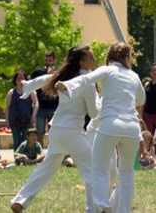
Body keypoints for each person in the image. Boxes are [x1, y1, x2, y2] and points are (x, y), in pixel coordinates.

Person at [56, 42, 145, 213]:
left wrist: (67, 85)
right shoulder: (134, 75)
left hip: (110, 125)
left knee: (99, 169)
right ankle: (123, 210)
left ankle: (102, 206)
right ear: (127, 58)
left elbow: (85, 79)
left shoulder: (107, 70)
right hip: (132, 128)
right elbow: (141, 100)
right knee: (127, 172)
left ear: (109, 57)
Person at [10, 45, 100, 213]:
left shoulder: (66, 77)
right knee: (93, 172)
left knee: (45, 169)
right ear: (81, 63)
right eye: (91, 58)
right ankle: (94, 209)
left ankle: (20, 200)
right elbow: (94, 113)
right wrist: (101, 102)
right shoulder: (87, 83)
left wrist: (27, 85)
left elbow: (44, 79)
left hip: (57, 130)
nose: (94, 60)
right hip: (72, 132)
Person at [6, 69, 39, 151]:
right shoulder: (11, 92)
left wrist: (34, 115)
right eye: (18, 78)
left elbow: (36, 103)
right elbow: (7, 107)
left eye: (22, 78)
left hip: (27, 119)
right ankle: (17, 156)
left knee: (26, 140)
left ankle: (25, 156)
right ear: (15, 80)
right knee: (16, 141)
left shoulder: (30, 91)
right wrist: (7, 120)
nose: (20, 80)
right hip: (14, 120)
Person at [31, 50, 58, 147]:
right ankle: (40, 151)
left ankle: (52, 151)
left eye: (50, 60)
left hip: (54, 107)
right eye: (47, 60)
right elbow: (31, 83)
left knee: (53, 133)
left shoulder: (58, 73)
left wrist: (52, 74)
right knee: (40, 133)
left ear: (54, 60)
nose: (48, 63)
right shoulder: (38, 72)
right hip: (41, 108)